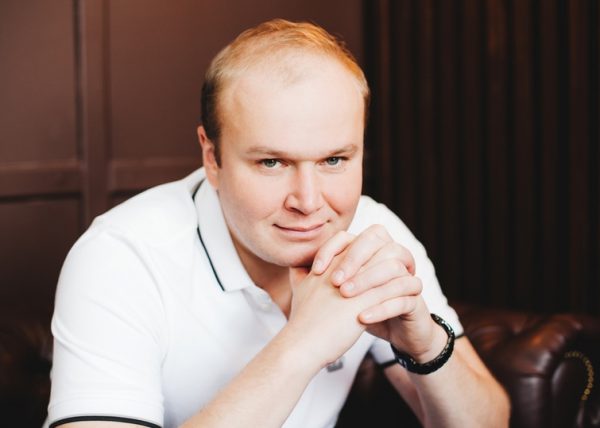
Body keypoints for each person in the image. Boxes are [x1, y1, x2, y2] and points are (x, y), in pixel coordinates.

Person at [45, 19, 510, 428]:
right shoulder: (121, 257)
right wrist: (302, 344)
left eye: (334, 160)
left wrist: (426, 345)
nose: (308, 202)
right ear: (212, 157)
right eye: (271, 162)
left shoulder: (372, 230)